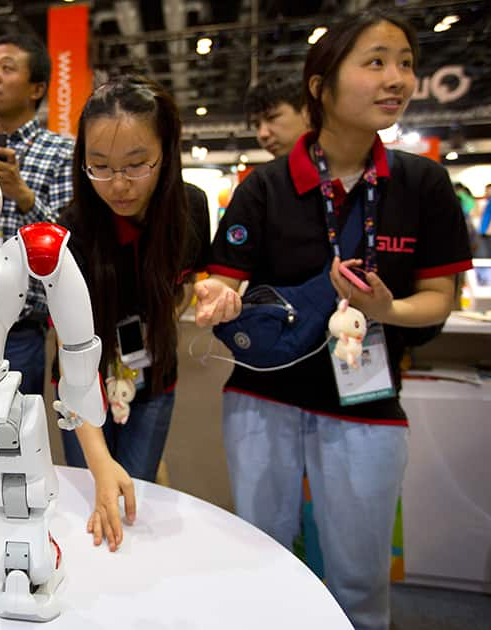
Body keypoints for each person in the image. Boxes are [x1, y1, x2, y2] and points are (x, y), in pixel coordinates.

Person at [195, 13, 472, 630]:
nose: (396, 78)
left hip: (367, 407)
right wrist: (215, 292)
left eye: (404, 62)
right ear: (320, 86)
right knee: (258, 554)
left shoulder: (422, 183)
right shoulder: (264, 186)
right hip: (263, 397)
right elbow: (228, 276)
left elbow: (438, 297)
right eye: (375, 62)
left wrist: (387, 310)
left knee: (359, 575)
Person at [57, 76, 210, 551]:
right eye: (99, 167)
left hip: (155, 377)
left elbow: (185, 286)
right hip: (85, 386)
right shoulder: (73, 229)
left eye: (137, 165)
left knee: (135, 503)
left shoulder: (191, 208)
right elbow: (67, 350)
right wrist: (99, 459)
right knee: (91, 506)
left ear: (166, 152)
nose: (118, 185)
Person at [0, 30, 75, 463]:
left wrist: (24, 196)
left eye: (7, 68)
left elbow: (68, 244)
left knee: (12, 444)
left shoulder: (61, 152)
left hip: (21, 329)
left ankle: (15, 528)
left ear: (37, 88)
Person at [244, 73, 309, 158]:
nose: (262, 134)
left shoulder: (330, 162)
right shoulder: (266, 171)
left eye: (271, 118)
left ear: (307, 113)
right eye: (257, 125)